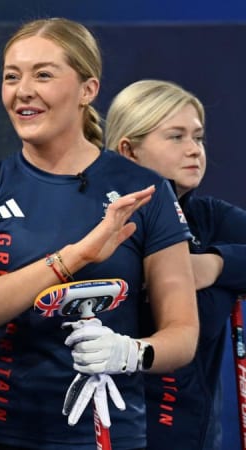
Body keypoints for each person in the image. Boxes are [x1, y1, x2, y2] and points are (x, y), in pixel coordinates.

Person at [0, 18, 199, 449]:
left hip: (110, 435)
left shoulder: (143, 189)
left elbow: (183, 333)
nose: (23, 90)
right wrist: (74, 257)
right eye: (11, 76)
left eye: (43, 74)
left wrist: (130, 353)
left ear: (87, 90)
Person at [106, 79, 246, 450]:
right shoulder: (94, 219)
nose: (194, 150)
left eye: (197, 138)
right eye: (176, 137)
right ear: (128, 150)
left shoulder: (211, 218)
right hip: (103, 431)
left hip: (190, 436)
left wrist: (215, 264)